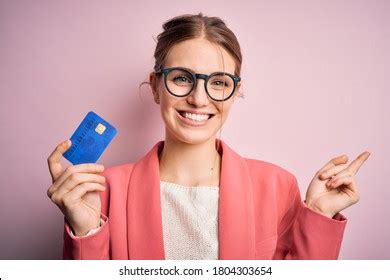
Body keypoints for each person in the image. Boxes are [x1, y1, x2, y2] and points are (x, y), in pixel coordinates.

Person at [47, 13, 370, 260]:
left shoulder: (277, 186)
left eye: (218, 82)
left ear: (235, 92)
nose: (199, 99)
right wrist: (86, 232)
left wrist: (318, 215)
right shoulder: (103, 191)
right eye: (182, 78)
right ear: (156, 85)